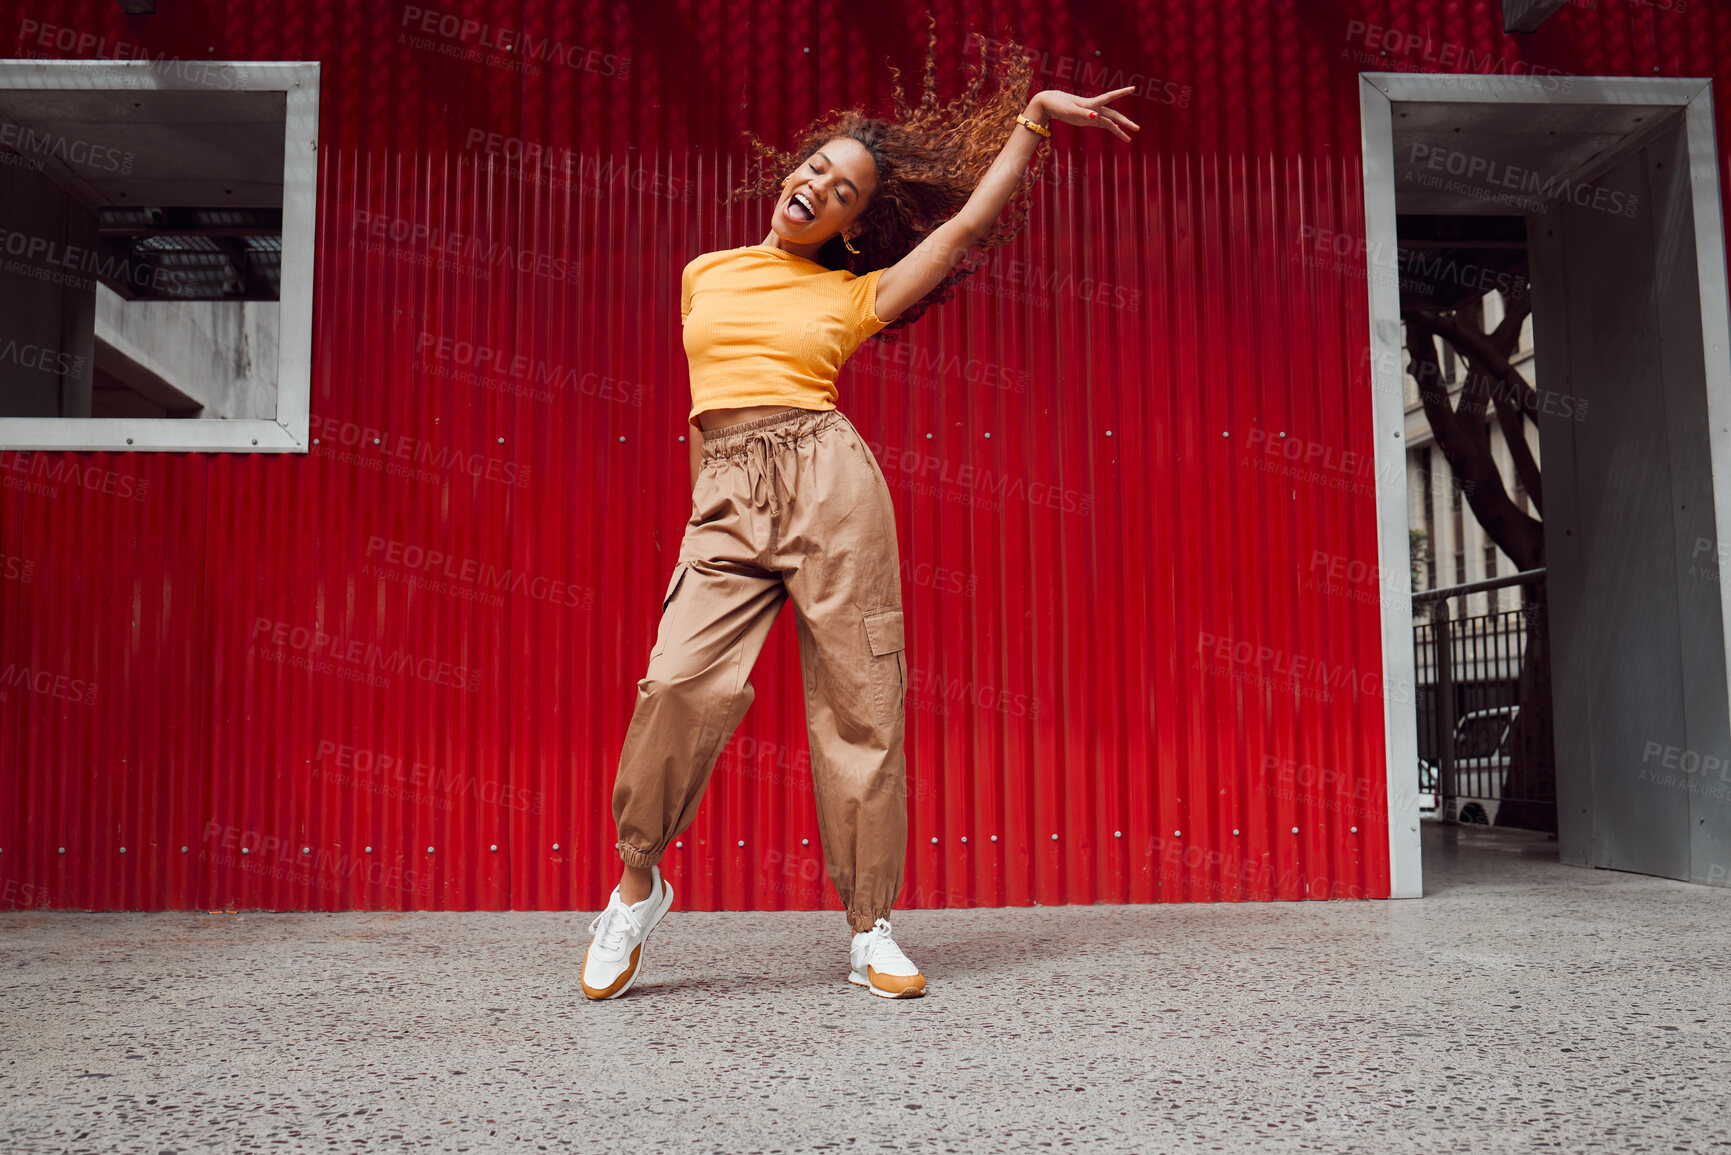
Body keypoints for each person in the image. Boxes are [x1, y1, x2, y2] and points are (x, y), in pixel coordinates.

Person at [582, 28, 1139, 1001]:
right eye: (815, 169)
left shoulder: (852, 294)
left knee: (861, 705)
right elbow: (705, 406)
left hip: (832, 484)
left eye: (843, 193)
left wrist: (1033, 123)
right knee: (679, 683)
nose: (818, 188)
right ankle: (637, 885)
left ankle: (870, 927)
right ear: (790, 172)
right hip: (728, 496)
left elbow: (961, 231)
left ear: (848, 227)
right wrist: (710, 507)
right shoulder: (705, 274)